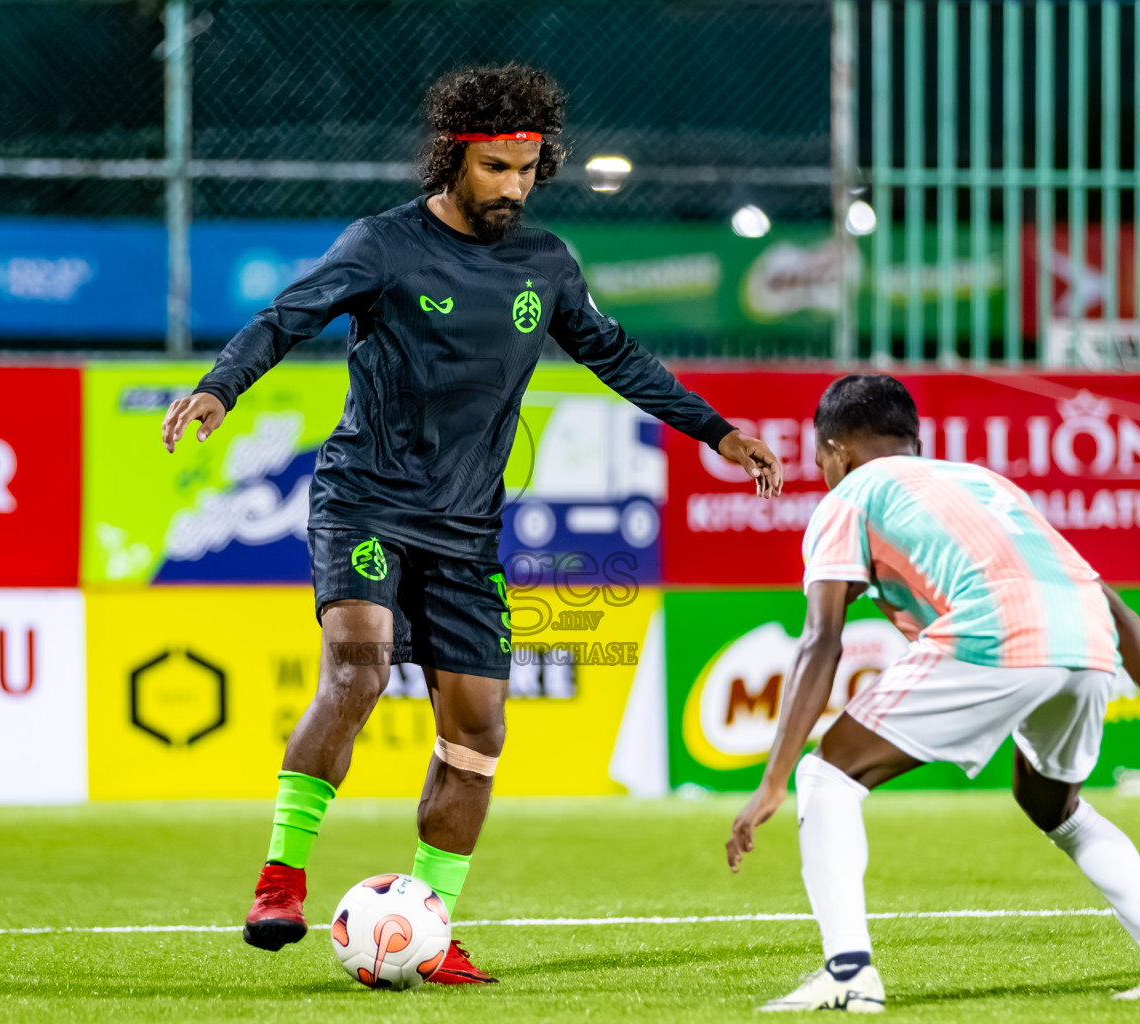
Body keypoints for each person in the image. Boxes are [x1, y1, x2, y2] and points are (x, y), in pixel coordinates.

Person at [161, 64, 783, 984]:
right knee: (361, 663)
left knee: (479, 731)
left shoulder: (547, 264)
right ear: (454, 159)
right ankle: (281, 878)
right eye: (496, 169)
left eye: (528, 171)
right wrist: (220, 386)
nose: (514, 188)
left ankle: (430, 924)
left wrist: (717, 431)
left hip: (464, 532)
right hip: (365, 498)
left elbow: (615, 355)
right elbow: (284, 317)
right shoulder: (384, 245)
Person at [725, 373, 1140, 1012]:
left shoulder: (849, 495)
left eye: (822, 457)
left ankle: (848, 974)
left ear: (836, 449)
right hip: (1088, 637)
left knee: (828, 777)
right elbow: (1120, 612)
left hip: (998, 629)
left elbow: (822, 639)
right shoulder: (987, 483)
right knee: (1052, 803)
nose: (824, 470)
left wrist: (773, 780)